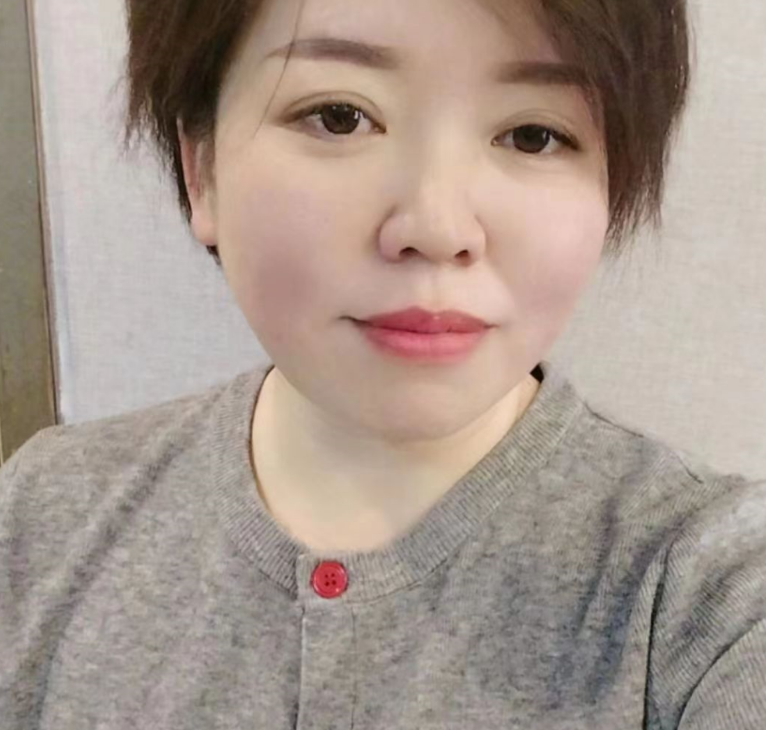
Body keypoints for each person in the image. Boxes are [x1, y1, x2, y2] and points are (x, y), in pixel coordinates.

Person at [1, 0, 764, 727]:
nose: (437, 227)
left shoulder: (709, 591)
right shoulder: (44, 515)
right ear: (202, 170)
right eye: (340, 116)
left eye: (533, 135)